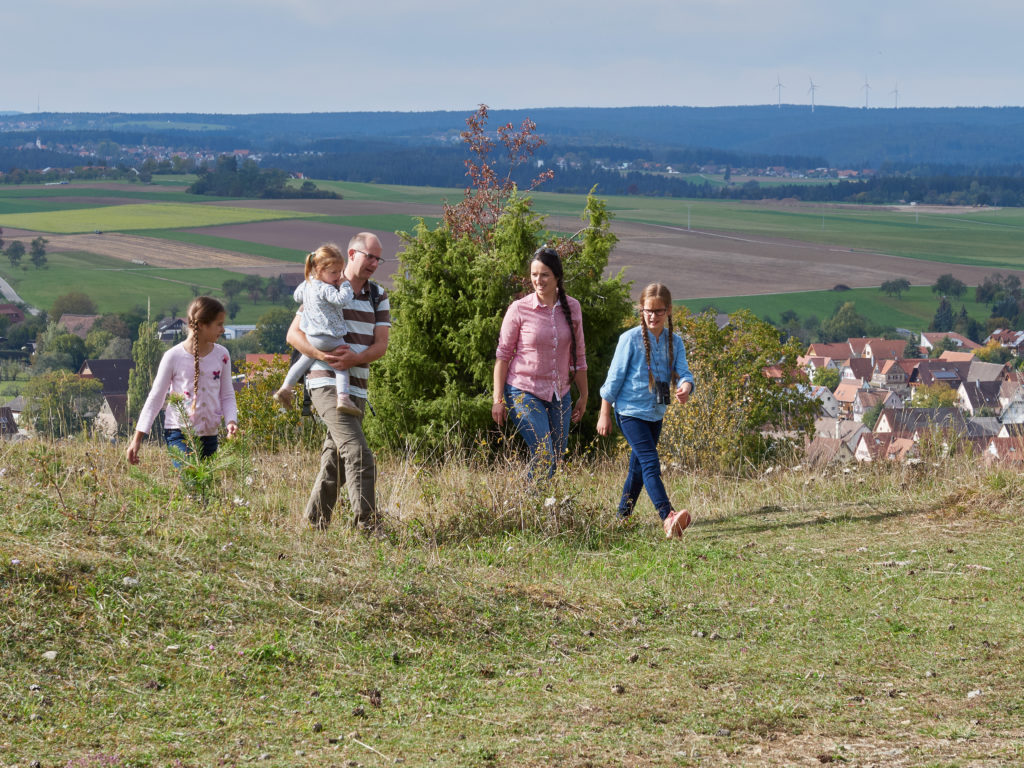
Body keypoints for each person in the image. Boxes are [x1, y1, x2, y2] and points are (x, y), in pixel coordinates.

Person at [286, 232, 390, 532]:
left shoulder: (378, 295)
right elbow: (294, 335)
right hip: (324, 382)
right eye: (368, 256)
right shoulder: (323, 285)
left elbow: (380, 346)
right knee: (358, 453)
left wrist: (352, 361)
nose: (373, 263)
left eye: (377, 258)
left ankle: (313, 525)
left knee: (338, 461)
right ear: (352, 254)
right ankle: (367, 527)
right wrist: (322, 354)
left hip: (357, 385)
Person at [597, 283, 695, 539]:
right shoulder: (629, 339)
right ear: (641, 310)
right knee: (651, 463)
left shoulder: (676, 342)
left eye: (658, 311)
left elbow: (684, 372)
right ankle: (668, 516)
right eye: (647, 311)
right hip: (629, 412)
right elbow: (613, 380)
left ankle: (622, 518)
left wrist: (685, 387)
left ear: (669, 311)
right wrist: (604, 413)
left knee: (638, 469)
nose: (652, 316)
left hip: (655, 414)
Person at [492, 246, 587, 479]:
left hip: (560, 393)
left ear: (557, 276)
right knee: (544, 453)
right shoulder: (519, 309)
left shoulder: (573, 307)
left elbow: (579, 356)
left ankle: (539, 509)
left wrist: (583, 395)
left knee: (555, 459)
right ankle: (529, 508)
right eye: (534, 274)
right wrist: (497, 399)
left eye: (544, 274)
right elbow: (503, 356)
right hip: (523, 390)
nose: (538, 280)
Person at [126, 296, 238, 465]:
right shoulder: (173, 356)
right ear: (201, 325)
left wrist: (231, 421)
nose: (223, 329)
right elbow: (156, 398)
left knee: (204, 488)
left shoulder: (222, 355)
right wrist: (137, 438)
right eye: (219, 324)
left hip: (210, 436)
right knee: (191, 477)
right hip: (179, 433)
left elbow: (227, 395)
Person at [273, 244, 359, 415]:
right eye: (334, 272)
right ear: (319, 270)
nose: (338, 276)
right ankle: (343, 398)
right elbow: (342, 299)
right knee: (341, 365)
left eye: (340, 272)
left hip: (312, 336)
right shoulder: (326, 288)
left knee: (304, 361)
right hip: (330, 336)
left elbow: (297, 296)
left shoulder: (307, 285)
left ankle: (285, 388)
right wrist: (345, 284)